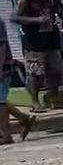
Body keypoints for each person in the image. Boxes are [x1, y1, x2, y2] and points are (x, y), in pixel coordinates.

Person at [10, 0, 63, 111]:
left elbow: (54, 13)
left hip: (50, 38)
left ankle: (54, 101)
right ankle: (35, 103)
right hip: (34, 41)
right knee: (35, 73)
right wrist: (36, 20)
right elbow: (14, 17)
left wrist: (59, 20)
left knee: (54, 71)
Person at [0, 17, 35, 145]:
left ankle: (6, 135)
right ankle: (23, 118)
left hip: (2, 68)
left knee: (0, 102)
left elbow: (1, 48)